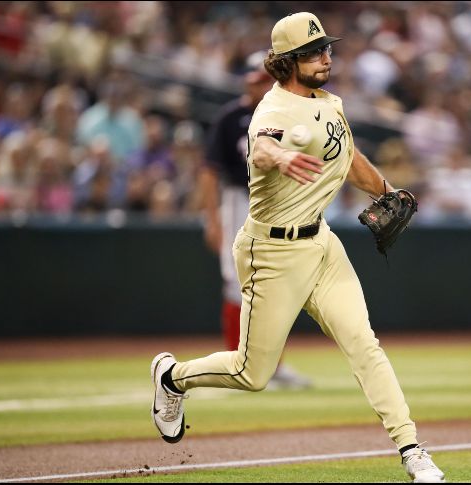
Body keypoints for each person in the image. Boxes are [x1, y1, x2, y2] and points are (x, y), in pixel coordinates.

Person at [149, 12, 445, 483]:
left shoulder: (330, 104)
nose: (326, 55)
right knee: (252, 373)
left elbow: (350, 161)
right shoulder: (271, 111)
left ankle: (413, 451)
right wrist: (282, 155)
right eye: (314, 51)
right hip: (272, 252)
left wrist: (386, 189)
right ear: (288, 61)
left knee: (364, 345)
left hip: (322, 246)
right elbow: (261, 149)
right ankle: (171, 377)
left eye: (327, 47)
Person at [200, 52, 312, 390]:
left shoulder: (287, 114)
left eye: (262, 80)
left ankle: (273, 365)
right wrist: (212, 219)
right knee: (237, 284)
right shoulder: (231, 117)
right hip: (238, 200)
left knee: (277, 284)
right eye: (252, 80)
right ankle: (237, 361)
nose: (257, 86)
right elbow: (210, 173)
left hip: (277, 201)